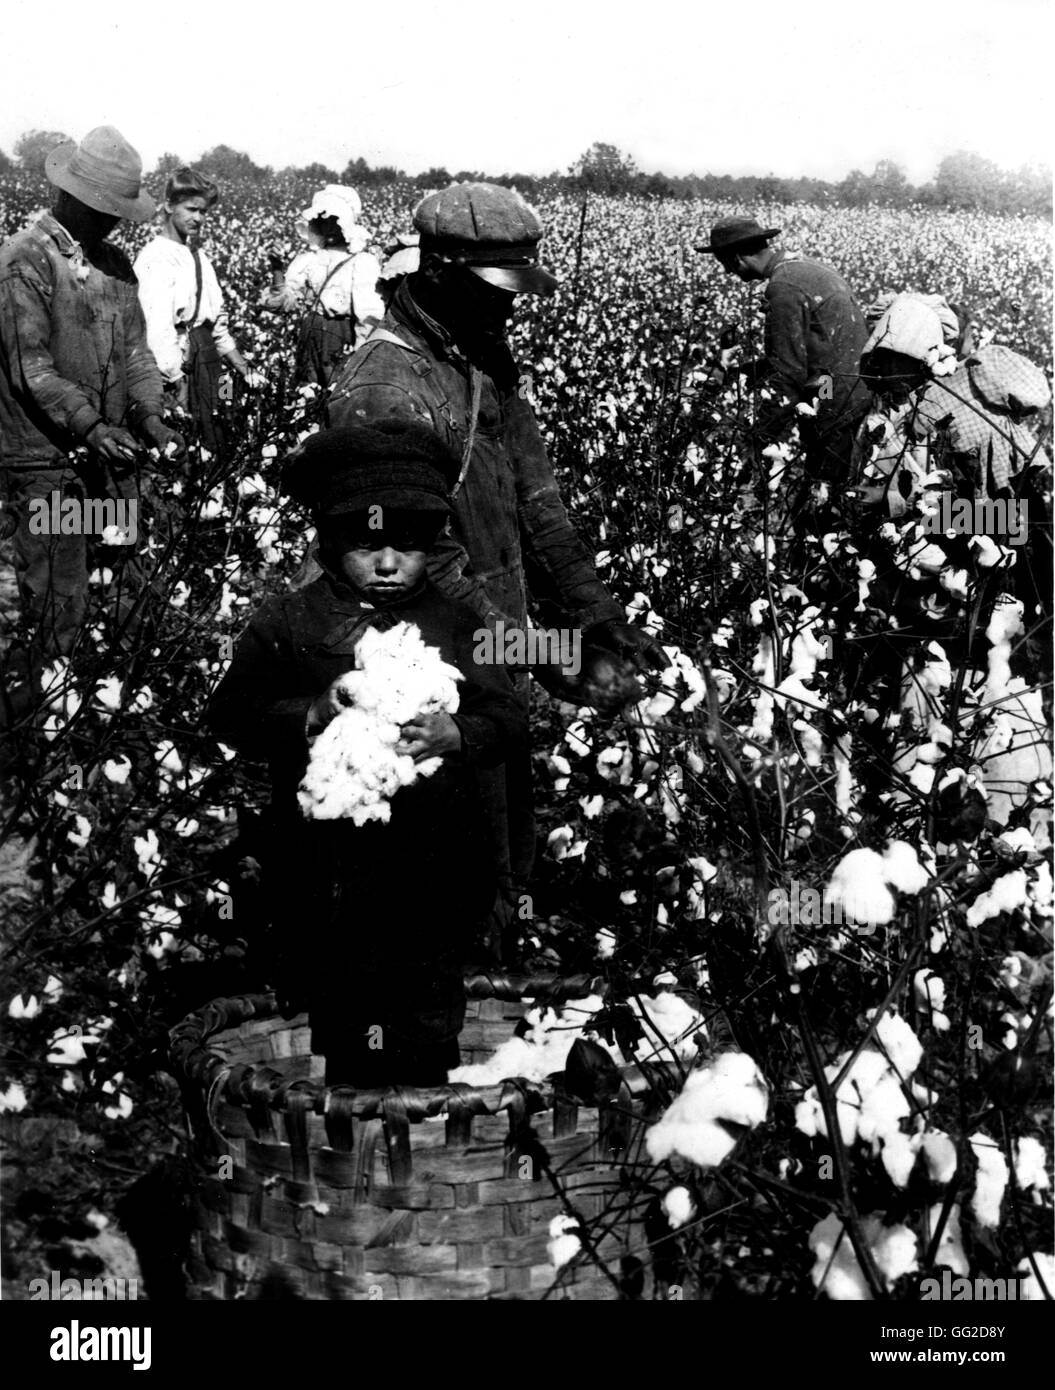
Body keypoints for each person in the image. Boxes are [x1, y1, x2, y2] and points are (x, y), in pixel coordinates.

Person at [327, 181, 669, 960]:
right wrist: (547, 655)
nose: (509, 309)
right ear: (438, 271)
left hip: (490, 659)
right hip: (417, 670)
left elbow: (539, 508)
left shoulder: (480, 361)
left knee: (500, 850)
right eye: (494, 291)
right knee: (435, 876)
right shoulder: (387, 388)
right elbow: (418, 574)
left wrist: (597, 617)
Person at [205, 419, 526, 1085]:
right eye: (365, 545)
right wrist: (308, 714)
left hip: (434, 871)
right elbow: (229, 716)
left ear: (430, 544)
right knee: (346, 1019)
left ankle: (421, 1140)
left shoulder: (462, 623)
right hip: (329, 876)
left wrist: (457, 734)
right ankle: (353, 1150)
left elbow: (508, 717)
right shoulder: (291, 622)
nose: (386, 564)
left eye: (405, 547)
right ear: (327, 539)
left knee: (428, 1018)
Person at [0, 126, 182, 682]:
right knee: (60, 594)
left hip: (103, 457)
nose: (112, 221)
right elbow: (32, 369)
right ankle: (42, 738)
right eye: (103, 209)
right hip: (45, 464)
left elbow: (135, 354)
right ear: (70, 197)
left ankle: (112, 703)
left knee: (125, 574)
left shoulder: (115, 268)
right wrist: (92, 426)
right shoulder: (23, 263)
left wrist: (152, 414)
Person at [697, 215, 871, 481]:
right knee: (834, 485)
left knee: (825, 496)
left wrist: (759, 436)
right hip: (849, 386)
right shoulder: (805, 268)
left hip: (833, 398)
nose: (727, 273)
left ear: (736, 258)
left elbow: (788, 373)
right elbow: (810, 350)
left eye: (725, 264)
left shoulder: (783, 288)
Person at [134, 167, 266, 454]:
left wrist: (243, 368)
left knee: (221, 423)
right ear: (169, 205)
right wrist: (177, 381)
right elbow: (157, 331)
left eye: (203, 212)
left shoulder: (198, 256)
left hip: (210, 362)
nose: (199, 218)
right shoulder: (155, 258)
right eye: (191, 209)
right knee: (188, 438)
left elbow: (217, 325)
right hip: (181, 366)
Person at [262, 185, 384, 387]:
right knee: (306, 393)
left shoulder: (362, 261)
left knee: (337, 394)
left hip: (341, 334)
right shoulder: (308, 260)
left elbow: (368, 315)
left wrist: (360, 354)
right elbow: (281, 305)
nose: (328, 226)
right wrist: (277, 270)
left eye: (334, 220)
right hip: (310, 333)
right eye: (322, 220)